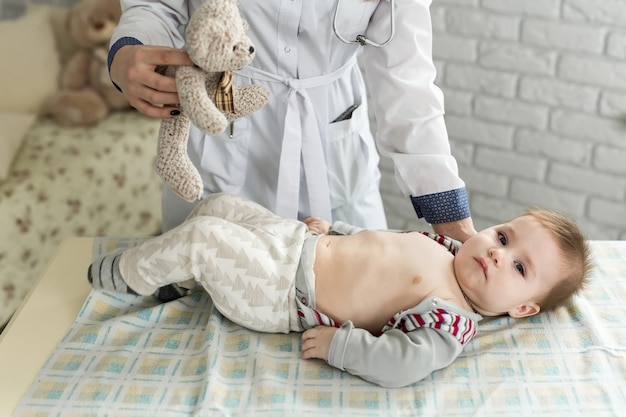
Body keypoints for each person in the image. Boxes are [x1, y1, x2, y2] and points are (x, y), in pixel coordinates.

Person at [88, 193, 592, 388]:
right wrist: (336, 230)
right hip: (296, 241)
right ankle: (182, 279)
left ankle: (126, 274)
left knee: (204, 239)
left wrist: (343, 346)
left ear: (523, 308)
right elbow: (379, 247)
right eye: (503, 236)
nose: (499, 252)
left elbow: (402, 364)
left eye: (520, 267)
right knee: (219, 207)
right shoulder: (443, 245)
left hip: (281, 290)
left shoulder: (449, 320)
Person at [107, 0, 477, 241]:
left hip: (334, 155)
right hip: (219, 140)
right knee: (201, 293)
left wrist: (447, 210)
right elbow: (157, 8)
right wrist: (128, 50)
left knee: (348, 301)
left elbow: (406, 77)